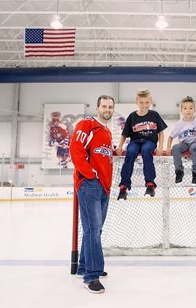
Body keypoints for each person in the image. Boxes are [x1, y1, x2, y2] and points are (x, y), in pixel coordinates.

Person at [69, 95, 115, 294]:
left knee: (95, 230)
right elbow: (76, 149)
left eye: (110, 106)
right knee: (93, 229)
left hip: (103, 186)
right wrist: (89, 175)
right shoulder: (87, 124)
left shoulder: (107, 131)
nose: (107, 109)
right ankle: (92, 275)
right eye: (104, 106)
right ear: (97, 107)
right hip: (89, 184)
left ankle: (83, 267)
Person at [115, 89, 167, 200]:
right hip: (135, 141)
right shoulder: (132, 116)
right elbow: (124, 134)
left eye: (147, 102)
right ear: (137, 102)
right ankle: (124, 185)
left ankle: (150, 183)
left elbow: (161, 133)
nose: (144, 105)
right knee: (131, 151)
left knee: (146, 150)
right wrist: (120, 146)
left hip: (149, 142)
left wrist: (161, 147)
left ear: (151, 101)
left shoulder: (154, 115)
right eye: (141, 102)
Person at [166, 96, 196, 184]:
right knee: (175, 147)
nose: (188, 110)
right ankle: (179, 171)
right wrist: (168, 147)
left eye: (190, 108)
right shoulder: (179, 124)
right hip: (184, 143)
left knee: (194, 147)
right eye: (185, 108)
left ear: (194, 110)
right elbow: (171, 137)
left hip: (195, 143)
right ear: (181, 111)